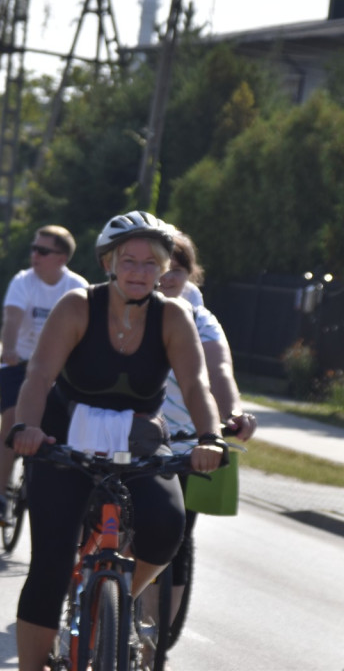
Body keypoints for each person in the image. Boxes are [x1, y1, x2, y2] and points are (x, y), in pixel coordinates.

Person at [8, 211, 226, 671]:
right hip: (64, 437)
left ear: (165, 269)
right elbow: (39, 376)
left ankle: (120, 597)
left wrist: (211, 438)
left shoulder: (174, 316)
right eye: (129, 260)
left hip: (139, 438)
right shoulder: (77, 306)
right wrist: (26, 429)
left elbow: (195, 386)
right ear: (109, 262)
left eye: (151, 263)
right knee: (50, 564)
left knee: (167, 526)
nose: (139, 272)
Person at [149, 227, 257, 632]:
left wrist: (234, 414)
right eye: (163, 266)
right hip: (126, 438)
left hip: (182, 444)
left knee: (175, 537)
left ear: (190, 275)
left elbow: (220, 371)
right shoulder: (123, 305)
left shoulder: (200, 319)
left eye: (179, 269)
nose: (168, 276)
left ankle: (154, 639)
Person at [0, 225, 87, 526]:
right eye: (33, 249)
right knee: (13, 420)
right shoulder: (23, 282)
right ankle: (0, 497)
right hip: (20, 363)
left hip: (59, 368)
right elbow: (12, 319)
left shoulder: (76, 287)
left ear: (62, 257)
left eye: (43, 251)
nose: (34, 255)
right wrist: (9, 349)